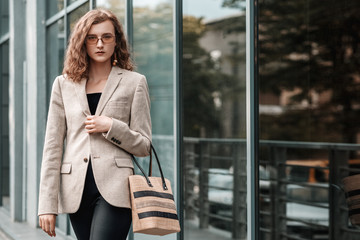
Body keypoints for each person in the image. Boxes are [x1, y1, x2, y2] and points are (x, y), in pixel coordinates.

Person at [38, 9, 151, 240]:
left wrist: (111, 126)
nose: (100, 43)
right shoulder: (63, 84)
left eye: (106, 37)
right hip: (75, 189)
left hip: (117, 188)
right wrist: (46, 204)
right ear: (83, 42)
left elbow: (143, 145)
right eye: (92, 38)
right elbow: (52, 147)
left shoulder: (134, 82)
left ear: (116, 41)